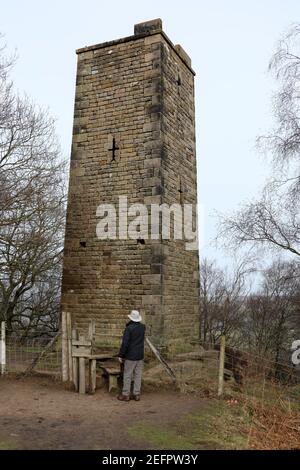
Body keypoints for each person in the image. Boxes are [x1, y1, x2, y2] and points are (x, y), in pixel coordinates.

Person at [117, 310, 145, 402]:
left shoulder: (129, 329)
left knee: (127, 375)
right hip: (140, 355)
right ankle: (136, 394)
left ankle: (126, 394)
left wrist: (121, 355)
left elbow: (125, 343)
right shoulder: (142, 327)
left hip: (130, 355)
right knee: (138, 375)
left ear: (131, 318)